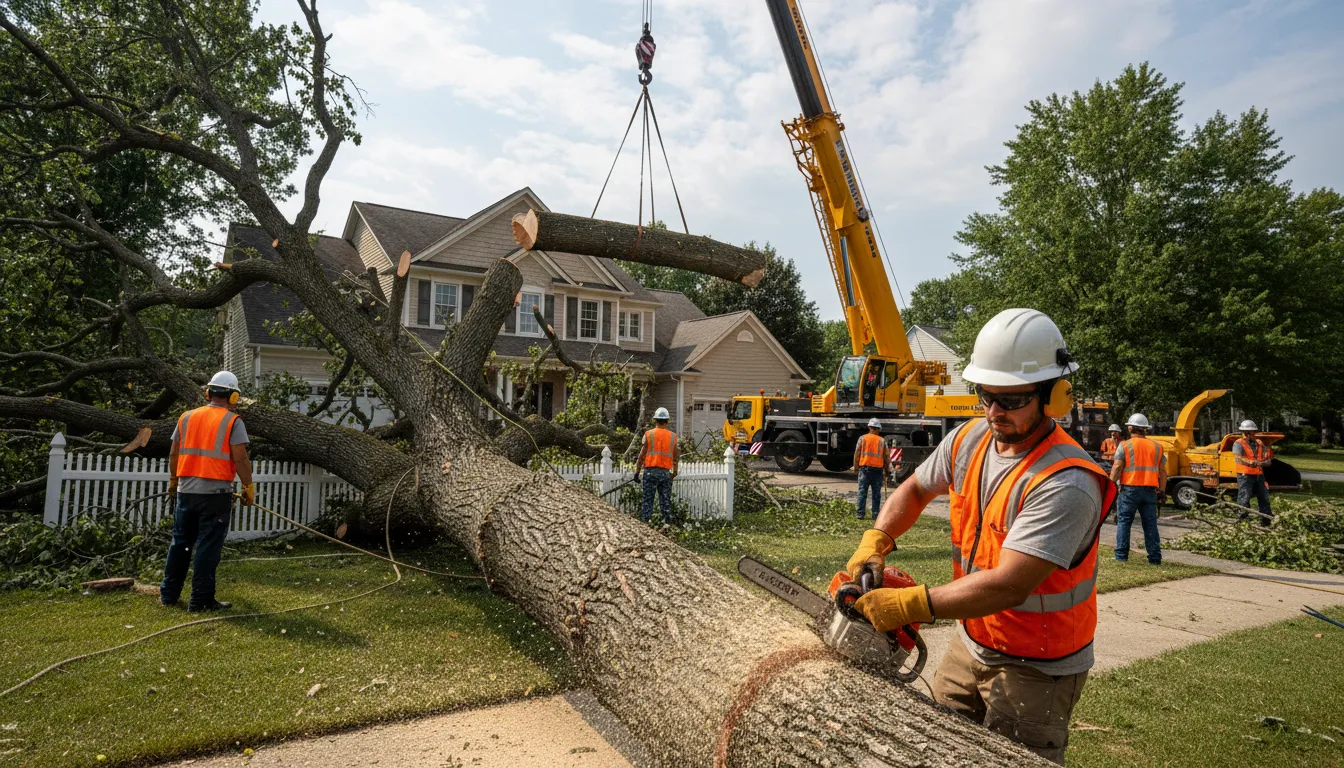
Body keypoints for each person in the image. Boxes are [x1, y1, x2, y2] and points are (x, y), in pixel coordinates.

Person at [844, 308, 1114, 764]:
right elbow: (913, 489)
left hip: (1037, 668)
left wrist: (910, 606)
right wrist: (877, 539)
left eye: (1010, 400)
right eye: (985, 395)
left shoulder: (1066, 481)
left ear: (1053, 397)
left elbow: (1010, 583)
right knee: (934, 749)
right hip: (971, 642)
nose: (993, 411)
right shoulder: (969, 439)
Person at [161, 371, 255, 611]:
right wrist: (248, 486)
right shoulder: (233, 421)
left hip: (185, 492)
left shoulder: (186, 417)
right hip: (215, 496)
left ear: (208, 392)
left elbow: (173, 453)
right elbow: (241, 458)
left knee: (180, 543)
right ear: (233, 396)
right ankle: (200, 600)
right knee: (207, 547)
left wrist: (173, 481)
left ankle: (169, 595)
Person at [1109, 413, 1166, 565]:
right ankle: (1155, 558)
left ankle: (1121, 556)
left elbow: (1117, 467)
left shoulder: (1125, 445)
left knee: (1124, 522)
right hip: (1150, 490)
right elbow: (1162, 471)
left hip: (1130, 490)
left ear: (1130, 428)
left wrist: (1110, 485)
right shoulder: (1157, 447)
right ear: (1145, 429)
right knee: (1150, 524)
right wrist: (1162, 490)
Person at [635, 407, 679, 524]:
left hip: (650, 472)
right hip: (665, 474)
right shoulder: (673, 437)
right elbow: (676, 457)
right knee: (665, 502)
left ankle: (645, 524)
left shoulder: (649, 434)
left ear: (655, 420)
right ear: (667, 421)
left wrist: (637, 472)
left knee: (647, 501)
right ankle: (667, 526)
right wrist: (674, 471)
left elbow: (641, 455)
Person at [1233, 420, 1274, 526]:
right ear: (1245, 432)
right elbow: (1238, 459)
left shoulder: (1259, 443)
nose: (1253, 434)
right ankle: (1243, 521)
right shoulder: (1238, 443)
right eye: (1252, 432)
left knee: (1264, 497)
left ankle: (1266, 520)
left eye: (1254, 432)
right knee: (1244, 497)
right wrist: (1251, 462)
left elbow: (1268, 460)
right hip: (1245, 475)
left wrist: (1263, 463)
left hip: (1259, 475)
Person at [853, 418, 890, 520]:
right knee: (876, 494)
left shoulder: (862, 438)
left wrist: (856, 467)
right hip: (877, 471)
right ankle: (875, 515)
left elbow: (857, 453)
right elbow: (886, 457)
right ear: (879, 429)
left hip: (864, 470)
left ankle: (860, 514)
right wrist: (887, 469)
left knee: (862, 492)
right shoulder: (882, 441)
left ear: (869, 427)